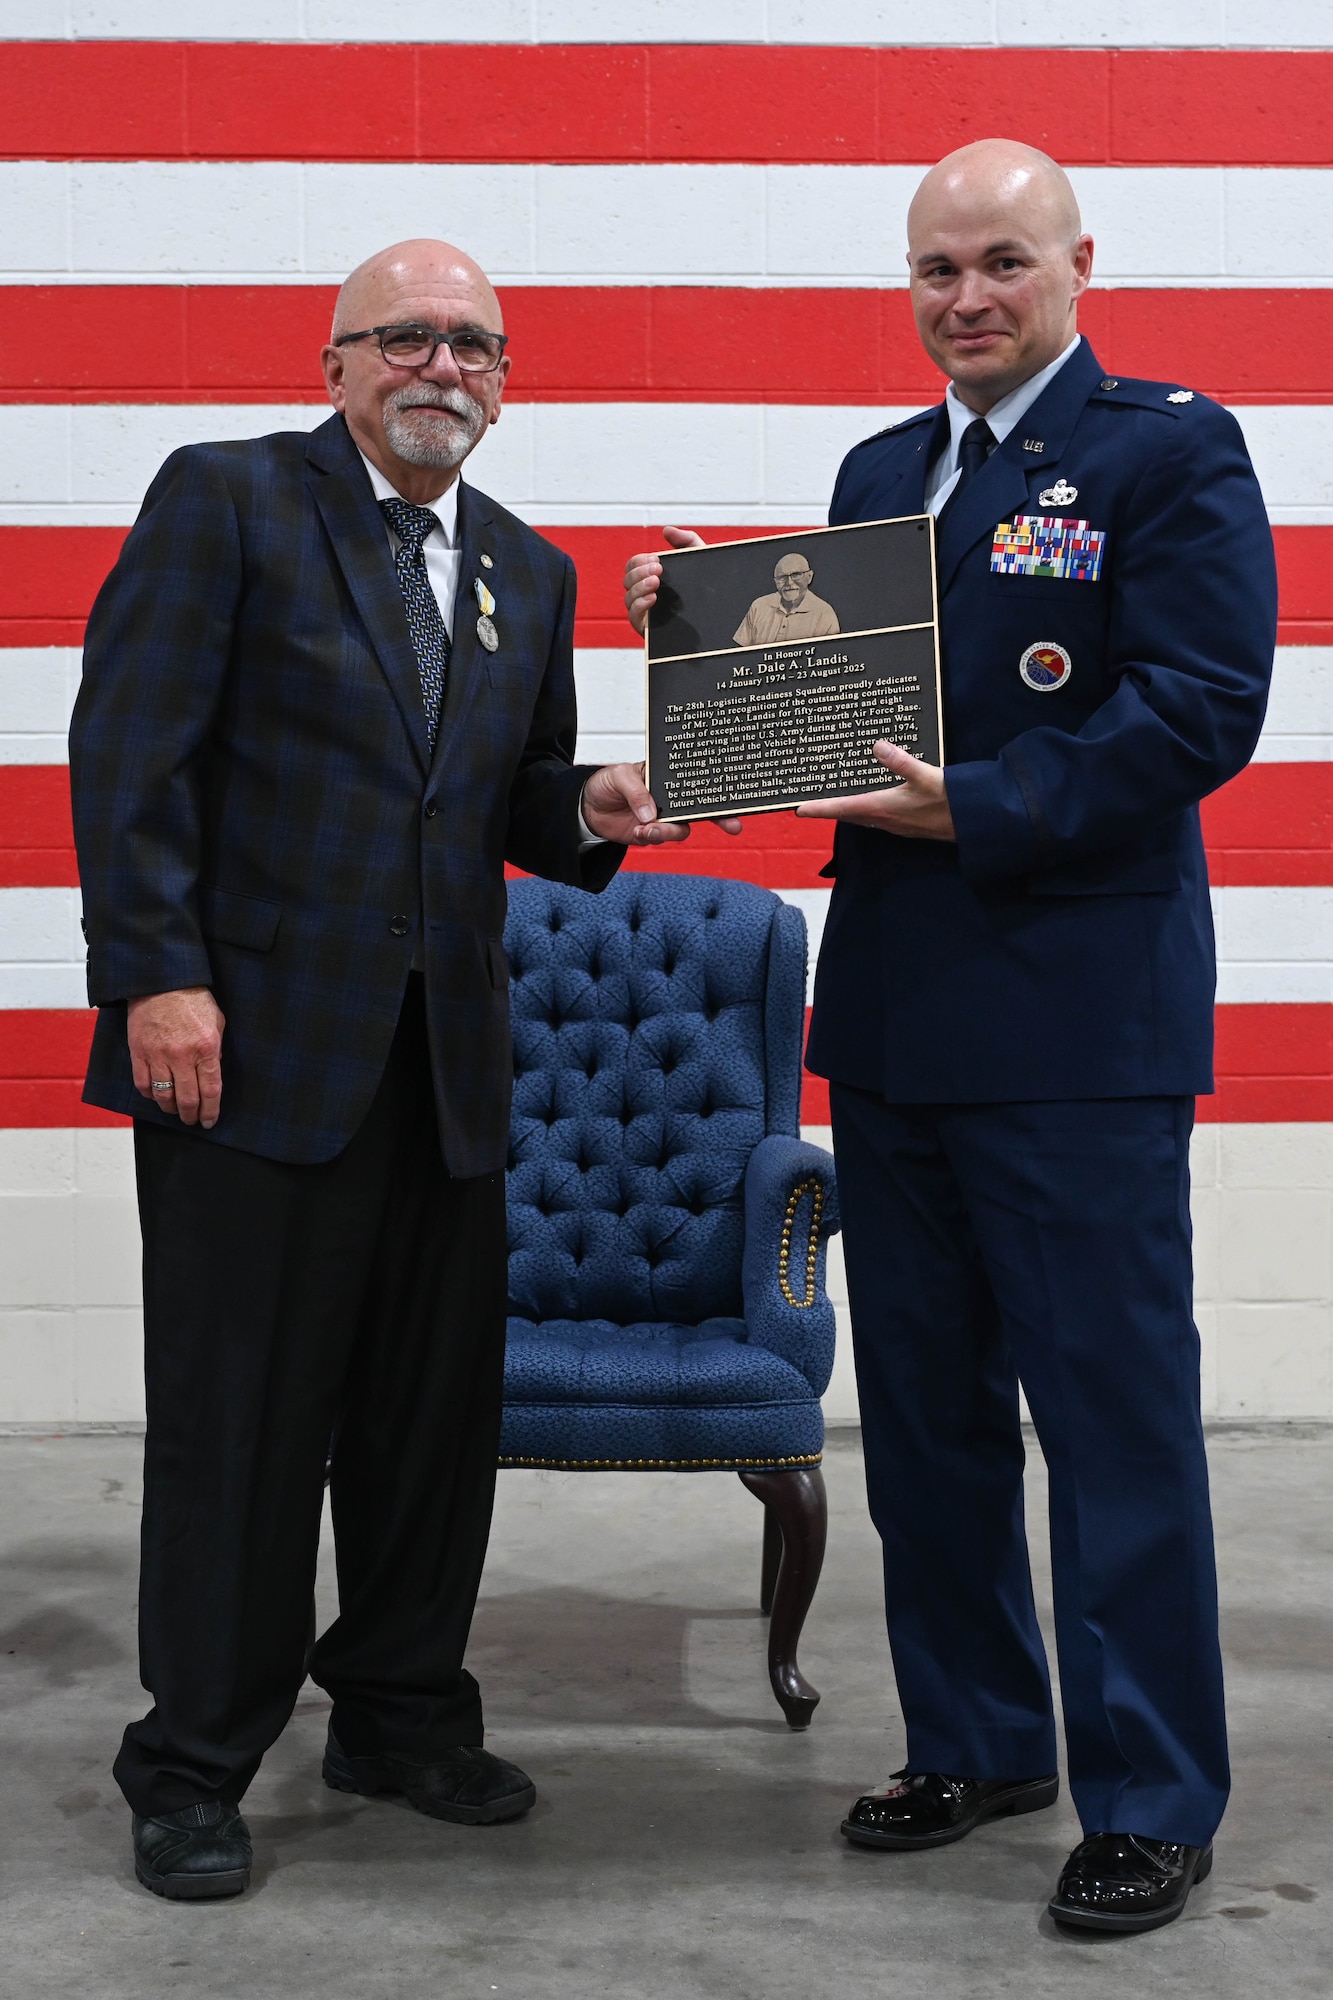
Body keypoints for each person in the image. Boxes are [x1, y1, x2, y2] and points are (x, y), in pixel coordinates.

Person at [625, 141, 1276, 1936]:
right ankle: (980, 1739)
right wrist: (707, 656)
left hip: (1076, 1023)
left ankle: (1150, 1795)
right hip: (899, 1012)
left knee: (1111, 1423)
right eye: (936, 268)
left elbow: (1201, 709)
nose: (965, 296)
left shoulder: (1167, 450)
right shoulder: (877, 470)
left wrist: (976, 806)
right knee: (923, 1419)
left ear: (1077, 265)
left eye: (1000, 261)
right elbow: (839, 716)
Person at [70, 238, 716, 1902]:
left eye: (476, 345)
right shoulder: (227, 501)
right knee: (240, 1428)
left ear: (505, 382)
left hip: (448, 1074)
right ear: (340, 362)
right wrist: (155, 977)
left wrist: (594, 808)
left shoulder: (526, 570)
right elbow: (129, 753)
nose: (445, 366)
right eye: (409, 337)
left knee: (429, 1426)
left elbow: (511, 802)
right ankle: (192, 1762)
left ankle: (400, 1714)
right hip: (248, 1059)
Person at [733, 552, 840, 645]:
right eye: (782, 577)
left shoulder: (825, 614)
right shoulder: (759, 606)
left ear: (809, 577)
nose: (789, 583)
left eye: (796, 575)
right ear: (775, 581)